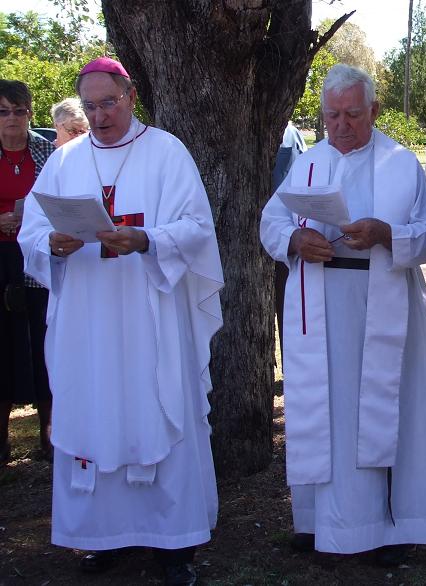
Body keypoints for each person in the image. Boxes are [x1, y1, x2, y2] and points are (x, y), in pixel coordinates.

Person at [17, 57, 224, 586]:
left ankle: (173, 546)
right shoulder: (64, 161)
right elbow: (31, 234)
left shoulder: (166, 151)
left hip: (149, 314)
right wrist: (53, 245)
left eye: (108, 103)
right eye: (90, 106)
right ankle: (102, 536)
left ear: (130, 95)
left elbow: (197, 227)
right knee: (94, 411)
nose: (100, 115)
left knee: (157, 408)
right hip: (89, 320)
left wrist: (146, 239)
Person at [260, 63, 426, 565]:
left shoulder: (400, 163)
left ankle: (388, 526)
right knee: (328, 413)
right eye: (332, 116)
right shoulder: (308, 162)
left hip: (382, 306)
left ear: (375, 111)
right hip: (319, 307)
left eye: (352, 114)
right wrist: (296, 239)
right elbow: (271, 220)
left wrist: (388, 234)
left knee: (383, 411)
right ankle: (321, 523)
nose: (341, 126)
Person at [0, 80, 55, 463]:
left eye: (20, 110)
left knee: (44, 343)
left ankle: (50, 437)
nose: (12, 119)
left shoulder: (48, 153)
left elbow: (61, 202)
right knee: (3, 348)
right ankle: (1, 443)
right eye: (3, 111)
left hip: (37, 260)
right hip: (0, 260)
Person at [271, 120, 307, 360]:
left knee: (287, 303)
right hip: (270, 226)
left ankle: (289, 359)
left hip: (284, 229)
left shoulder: (290, 133)